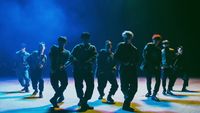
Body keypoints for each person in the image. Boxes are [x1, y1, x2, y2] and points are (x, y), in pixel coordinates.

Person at [71, 32, 97, 112]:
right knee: (79, 86)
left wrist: (88, 62)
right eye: (84, 38)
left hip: (88, 70)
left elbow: (95, 56)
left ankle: (84, 100)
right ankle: (82, 100)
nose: (85, 40)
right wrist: (77, 62)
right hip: (78, 70)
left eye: (87, 38)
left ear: (88, 39)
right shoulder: (77, 47)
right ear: (82, 39)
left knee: (90, 86)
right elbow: (71, 56)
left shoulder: (92, 48)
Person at [114, 30, 139, 112]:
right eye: (125, 38)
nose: (126, 39)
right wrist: (124, 62)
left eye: (128, 38)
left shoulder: (134, 49)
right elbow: (116, 56)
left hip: (132, 70)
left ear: (131, 38)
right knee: (124, 87)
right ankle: (127, 100)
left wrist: (132, 63)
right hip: (123, 70)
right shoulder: (120, 46)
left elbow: (137, 60)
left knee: (134, 88)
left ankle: (126, 103)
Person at [49, 36, 71, 108]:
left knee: (64, 84)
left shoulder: (67, 52)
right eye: (60, 42)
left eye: (62, 42)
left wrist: (64, 65)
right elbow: (51, 58)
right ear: (58, 42)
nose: (61, 43)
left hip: (62, 71)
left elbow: (70, 60)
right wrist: (52, 68)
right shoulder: (54, 49)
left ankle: (54, 98)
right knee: (55, 85)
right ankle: (60, 96)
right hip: (54, 70)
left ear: (65, 43)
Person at [140, 34, 162, 101]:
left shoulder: (159, 49)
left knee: (158, 80)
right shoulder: (149, 45)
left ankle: (154, 94)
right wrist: (152, 65)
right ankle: (149, 92)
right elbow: (144, 55)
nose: (156, 42)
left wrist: (158, 65)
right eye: (155, 40)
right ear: (153, 40)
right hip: (149, 66)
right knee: (148, 80)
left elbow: (160, 59)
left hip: (156, 67)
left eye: (158, 41)